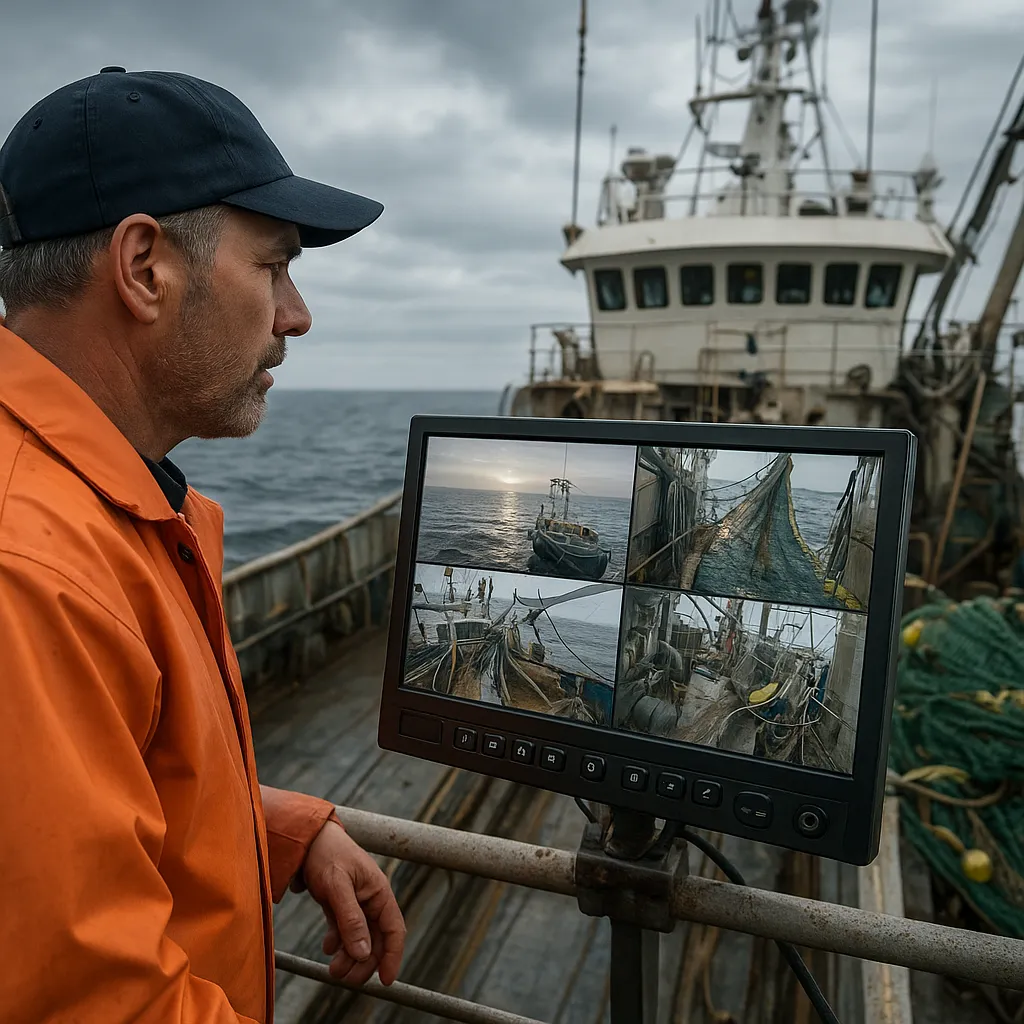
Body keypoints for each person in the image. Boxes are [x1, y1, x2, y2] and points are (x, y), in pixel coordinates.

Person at [0, 68, 405, 1023]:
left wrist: (279, 832)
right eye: (273, 266)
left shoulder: (96, 507)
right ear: (143, 267)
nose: (297, 313)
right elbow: (95, 1003)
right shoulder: (34, 571)